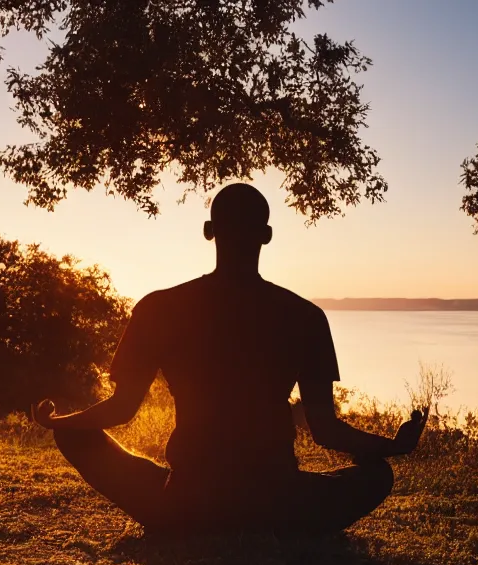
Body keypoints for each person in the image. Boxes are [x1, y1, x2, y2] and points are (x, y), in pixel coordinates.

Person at [33, 183, 428, 536]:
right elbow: (324, 428)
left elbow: (121, 408)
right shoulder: (305, 316)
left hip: (186, 504)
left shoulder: (159, 307)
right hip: (279, 505)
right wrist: (390, 446)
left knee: (74, 435)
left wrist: (58, 422)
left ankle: (180, 515)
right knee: (377, 475)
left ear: (209, 231)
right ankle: (279, 522)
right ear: (267, 235)